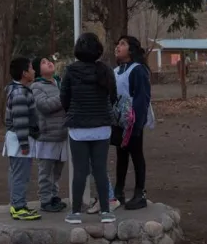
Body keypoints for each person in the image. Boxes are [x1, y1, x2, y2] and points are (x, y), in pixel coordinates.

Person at [60, 33, 117, 225]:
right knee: (100, 169)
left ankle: (75, 212)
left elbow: (64, 98)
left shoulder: (70, 71)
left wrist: (73, 111)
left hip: (78, 127)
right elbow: (113, 96)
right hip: (102, 126)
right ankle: (106, 211)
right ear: (98, 49)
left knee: (80, 171)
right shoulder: (106, 70)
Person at [112, 35, 153, 210]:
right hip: (118, 120)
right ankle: (118, 192)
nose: (117, 47)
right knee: (121, 156)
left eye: (122, 44)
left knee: (136, 155)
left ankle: (140, 193)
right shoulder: (115, 71)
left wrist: (136, 123)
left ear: (131, 49)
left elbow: (142, 98)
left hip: (133, 120)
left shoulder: (138, 70)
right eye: (117, 43)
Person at [2, 56, 41, 221]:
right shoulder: (19, 93)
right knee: (20, 175)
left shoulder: (19, 90)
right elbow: (20, 121)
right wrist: (25, 144)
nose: (34, 71)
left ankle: (18, 204)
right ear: (25, 73)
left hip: (18, 140)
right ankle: (18, 206)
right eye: (31, 68)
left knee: (17, 173)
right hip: (19, 140)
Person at [30, 56, 68, 213]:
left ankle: (54, 196)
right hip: (47, 134)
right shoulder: (37, 86)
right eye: (43, 62)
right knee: (46, 170)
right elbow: (44, 105)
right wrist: (64, 97)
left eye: (49, 60)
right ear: (38, 70)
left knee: (57, 170)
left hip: (62, 133)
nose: (49, 63)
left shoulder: (59, 83)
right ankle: (45, 200)